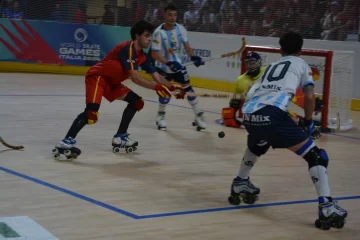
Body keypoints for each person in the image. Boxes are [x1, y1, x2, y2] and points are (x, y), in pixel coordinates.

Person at [227, 31, 347, 230]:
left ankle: (240, 182)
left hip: (248, 114)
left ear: (280, 49)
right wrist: (308, 121)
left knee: (259, 143)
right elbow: (308, 96)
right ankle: (326, 206)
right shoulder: (301, 65)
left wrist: (287, 119)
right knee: (317, 157)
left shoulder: (270, 66)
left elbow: (257, 96)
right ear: (301, 50)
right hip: (272, 116)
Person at [52, 20, 186, 160]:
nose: (149, 39)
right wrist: (157, 87)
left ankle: (120, 136)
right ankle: (65, 143)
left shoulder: (143, 56)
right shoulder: (128, 48)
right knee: (91, 114)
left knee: (136, 102)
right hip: (98, 77)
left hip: (112, 82)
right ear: (137, 36)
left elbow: (157, 76)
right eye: (146, 35)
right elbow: (135, 78)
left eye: (150, 36)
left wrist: (172, 87)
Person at [150, 3, 206, 131]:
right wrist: (168, 63)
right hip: (163, 67)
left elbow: (187, 47)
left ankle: (199, 116)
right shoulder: (159, 33)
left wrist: (193, 57)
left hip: (179, 66)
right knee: (165, 93)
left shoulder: (181, 29)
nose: (172, 18)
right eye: (170, 15)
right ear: (164, 15)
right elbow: (154, 53)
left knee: (189, 90)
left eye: (175, 15)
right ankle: (161, 116)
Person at [222, 52, 266, 128]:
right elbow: (236, 100)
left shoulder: (267, 72)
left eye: (253, 63)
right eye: (248, 64)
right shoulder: (241, 80)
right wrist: (232, 116)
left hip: (269, 109)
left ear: (259, 63)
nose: (250, 66)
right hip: (252, 114)